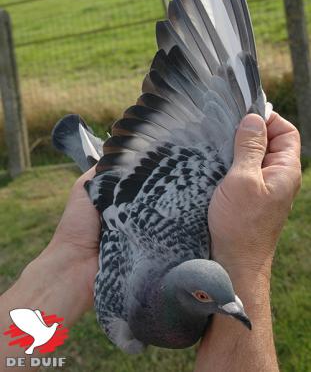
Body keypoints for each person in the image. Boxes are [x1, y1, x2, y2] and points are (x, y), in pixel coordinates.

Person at [0, 112, 301, 372]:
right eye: (201, 296)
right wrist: (247, 259)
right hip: (126, 208)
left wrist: (73, 254)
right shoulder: (126, 326)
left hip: (125, 208)